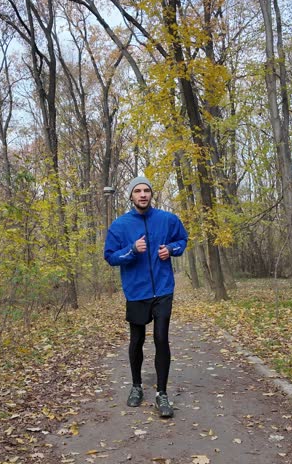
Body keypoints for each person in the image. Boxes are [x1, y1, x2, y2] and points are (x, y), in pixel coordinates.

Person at [103, 176, 188, 418]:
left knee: (161, 338)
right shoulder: (120, 226)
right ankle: (136, 386)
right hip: (136, 291)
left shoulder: (167, 219)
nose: (142, 194)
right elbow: (109, 256)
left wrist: (171, 249)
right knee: (137, 340)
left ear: (151, 195)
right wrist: (131, 250)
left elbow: (182, 239)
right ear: (131, 196)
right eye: (137, 191)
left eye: (146, 190)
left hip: (162, 289)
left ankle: (162, 393)